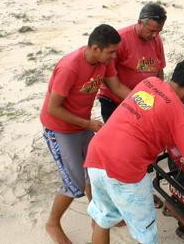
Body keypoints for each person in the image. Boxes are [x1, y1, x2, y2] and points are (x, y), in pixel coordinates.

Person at [84, 60, 184, 244]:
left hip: (97, 153)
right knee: (147, 234)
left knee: (104, 218)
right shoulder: (180, 114)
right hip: (125, 171)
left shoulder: (148, 83)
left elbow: (151, 118)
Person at [40, 24, 131, 244]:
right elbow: (54, 108)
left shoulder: (104, 63)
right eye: (110, 52)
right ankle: (52, 223)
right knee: (76, 181)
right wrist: (87, 124)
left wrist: (144, 104)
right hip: (59, 128)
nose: (114, 56)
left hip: (82, 125)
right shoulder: (70, 67)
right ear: (96, 48)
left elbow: (117, 87)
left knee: (94, 171)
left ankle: (97, 213)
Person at [97, 3, 167, 123]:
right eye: (151, 30)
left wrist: (157, 94)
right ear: (140, 22)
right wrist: (141, 102)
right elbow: (112, 84)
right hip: (116, 101)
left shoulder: (156, 39)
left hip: (143, 100)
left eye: (158, 31)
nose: (155, 35)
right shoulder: (120, 40)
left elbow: (159, 71)